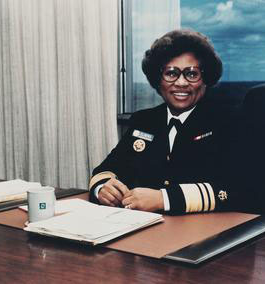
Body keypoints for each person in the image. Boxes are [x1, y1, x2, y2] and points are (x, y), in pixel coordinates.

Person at [89, 29, 241, 214]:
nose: (181, 83)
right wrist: (103, 189)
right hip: (144, 229)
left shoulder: (229, 121)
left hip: (205, 231)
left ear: (205, 79)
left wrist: (164, 199)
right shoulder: (143, 121)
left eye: (192, 74)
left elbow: (239, 188)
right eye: (171, 73)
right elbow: (108, 169)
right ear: (157, 79)